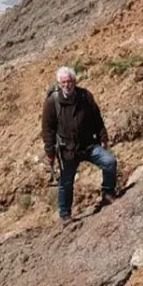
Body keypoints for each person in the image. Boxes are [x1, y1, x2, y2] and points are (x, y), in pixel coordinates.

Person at [41, 66, 118, 222]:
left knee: (110, 162)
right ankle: (65, 214)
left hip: (88, 145)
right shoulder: (52, 102)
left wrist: (103, 136)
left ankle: (108, 193)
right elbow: (47, 129)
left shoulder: (85, 96)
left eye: (69, 81)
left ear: (75, 82)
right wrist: (50, 151)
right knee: (66, 182)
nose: (66, 85)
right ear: (58, 83)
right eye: (63, 82)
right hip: (67, 150)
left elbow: (97, 118)